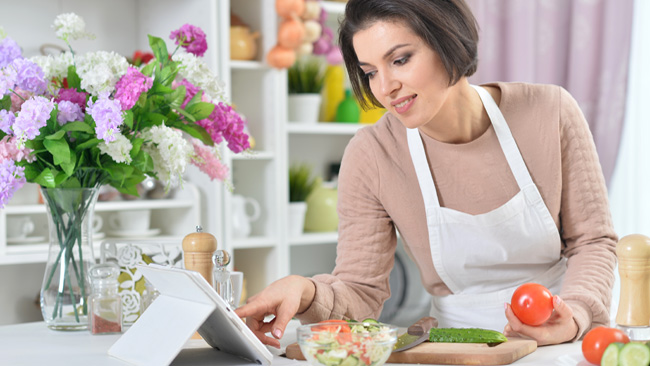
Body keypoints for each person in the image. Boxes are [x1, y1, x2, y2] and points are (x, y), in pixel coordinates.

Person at [235, 0, 617, 348]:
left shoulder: (549, 112)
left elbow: (593, 240)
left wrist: (576, 314)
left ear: (448, 41)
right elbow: (360, 290)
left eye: (400, 60)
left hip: (566, 339)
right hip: (458, 349)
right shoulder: (374, 154)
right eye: (370, 72)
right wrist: (305, 290)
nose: (385, 88)